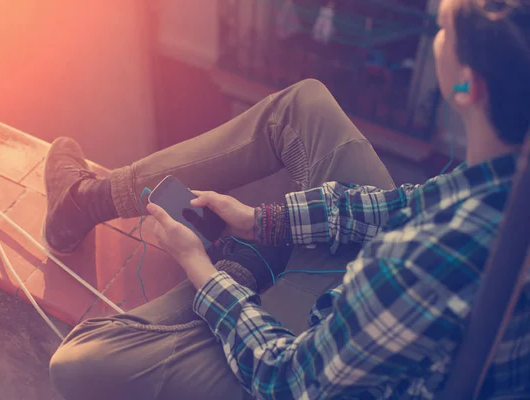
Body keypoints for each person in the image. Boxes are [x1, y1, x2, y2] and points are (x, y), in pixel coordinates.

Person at [47, 0, 530, 398]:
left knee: (79, 362)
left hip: (324, 359)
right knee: (304, 104)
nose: (436, 35)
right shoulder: (509, 178)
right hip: (384, 318)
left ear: (469, 87)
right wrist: (264, 220)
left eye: (443, 27)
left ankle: (243, 269)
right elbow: (406, 206)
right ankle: (85, 200)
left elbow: (287, 379)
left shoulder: (421, 261)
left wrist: (202, 269)